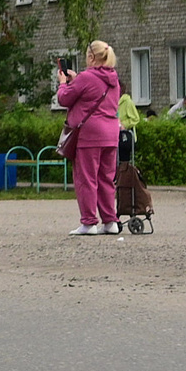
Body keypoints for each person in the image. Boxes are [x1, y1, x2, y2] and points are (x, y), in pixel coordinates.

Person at [54, 42, 124, 236]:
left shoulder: (86, 77)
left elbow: (64, 98)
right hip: (111, 134)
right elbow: (93, 92)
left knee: (86, 178)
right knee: (106, 179)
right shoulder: (114, 79)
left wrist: (62, 83)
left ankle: (89, 222)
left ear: (92, 57)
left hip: (89, 135)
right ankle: (110, 221)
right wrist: (77, 80)